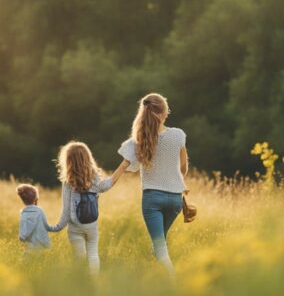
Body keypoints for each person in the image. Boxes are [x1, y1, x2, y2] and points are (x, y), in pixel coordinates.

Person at [115, 93, 189, 274]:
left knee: (159, 247)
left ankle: (173, 281)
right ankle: (153, 281)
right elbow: (183, 168)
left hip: (152, 200)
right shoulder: (178, 135)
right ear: (164, 112)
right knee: (158, 244)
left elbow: (129, 167)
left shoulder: (138, 140)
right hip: (175, 200)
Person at [47, 141, 126, 275]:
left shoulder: (68, 183)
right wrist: (123, 166)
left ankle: (83, 285)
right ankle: (95, 281)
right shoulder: (94, 178)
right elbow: (106, 186)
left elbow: (66, 211)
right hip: (91, 225)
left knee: (79, 258)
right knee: (93, 255)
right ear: (88, 158)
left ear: (68, 161)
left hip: (75, 227)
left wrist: (53, 228)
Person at [17, 184, 51, 252]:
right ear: (35, 198)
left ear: (22, 199)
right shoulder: (41, 211)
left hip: (30, 249)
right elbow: (46, 226)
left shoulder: (25, 214)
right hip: (42, 247)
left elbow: (23, 235)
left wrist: (21, 237)